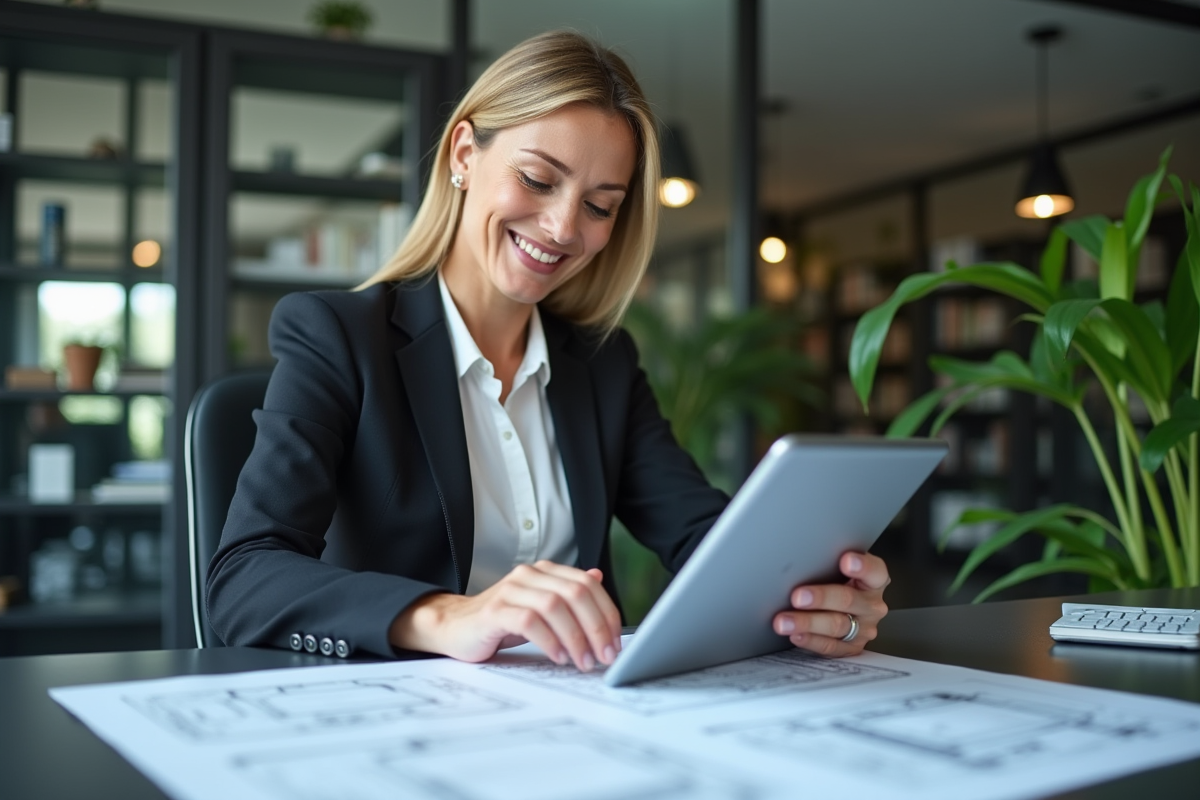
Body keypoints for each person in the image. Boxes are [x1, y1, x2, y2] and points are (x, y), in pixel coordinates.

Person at [206, 30, 890, 671]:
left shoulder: (602, 363)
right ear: (464, 155)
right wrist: (451, 617)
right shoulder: (338, 335)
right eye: (538, 179)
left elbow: (702, 538)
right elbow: (244, 580)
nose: (563, 227)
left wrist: (817, 597)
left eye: (600, 205)